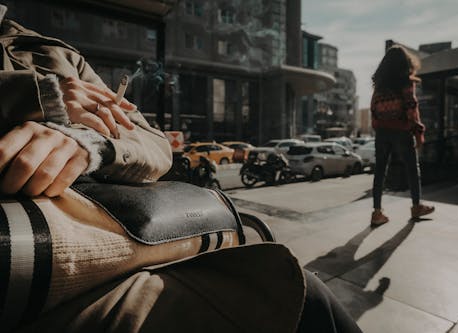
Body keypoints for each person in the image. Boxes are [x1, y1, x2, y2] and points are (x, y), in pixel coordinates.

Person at [0, 5, 362, 332]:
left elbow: (153, 144)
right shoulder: (48, 73)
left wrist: (90, 145)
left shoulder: (51, 53)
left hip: (106, 255)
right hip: (34, 281)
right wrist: (36, 97)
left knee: (294, 289)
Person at [370, 45, 435, 227]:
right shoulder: (406, 82)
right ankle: (416, 207)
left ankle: (376, 212)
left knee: (380, 171)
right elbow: (411, 107)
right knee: (412, 169)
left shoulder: (379, 85)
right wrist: (418, 133)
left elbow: (373, 108)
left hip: (382, 132)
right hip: (401, 129)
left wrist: (379, 128)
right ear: (405, 63)